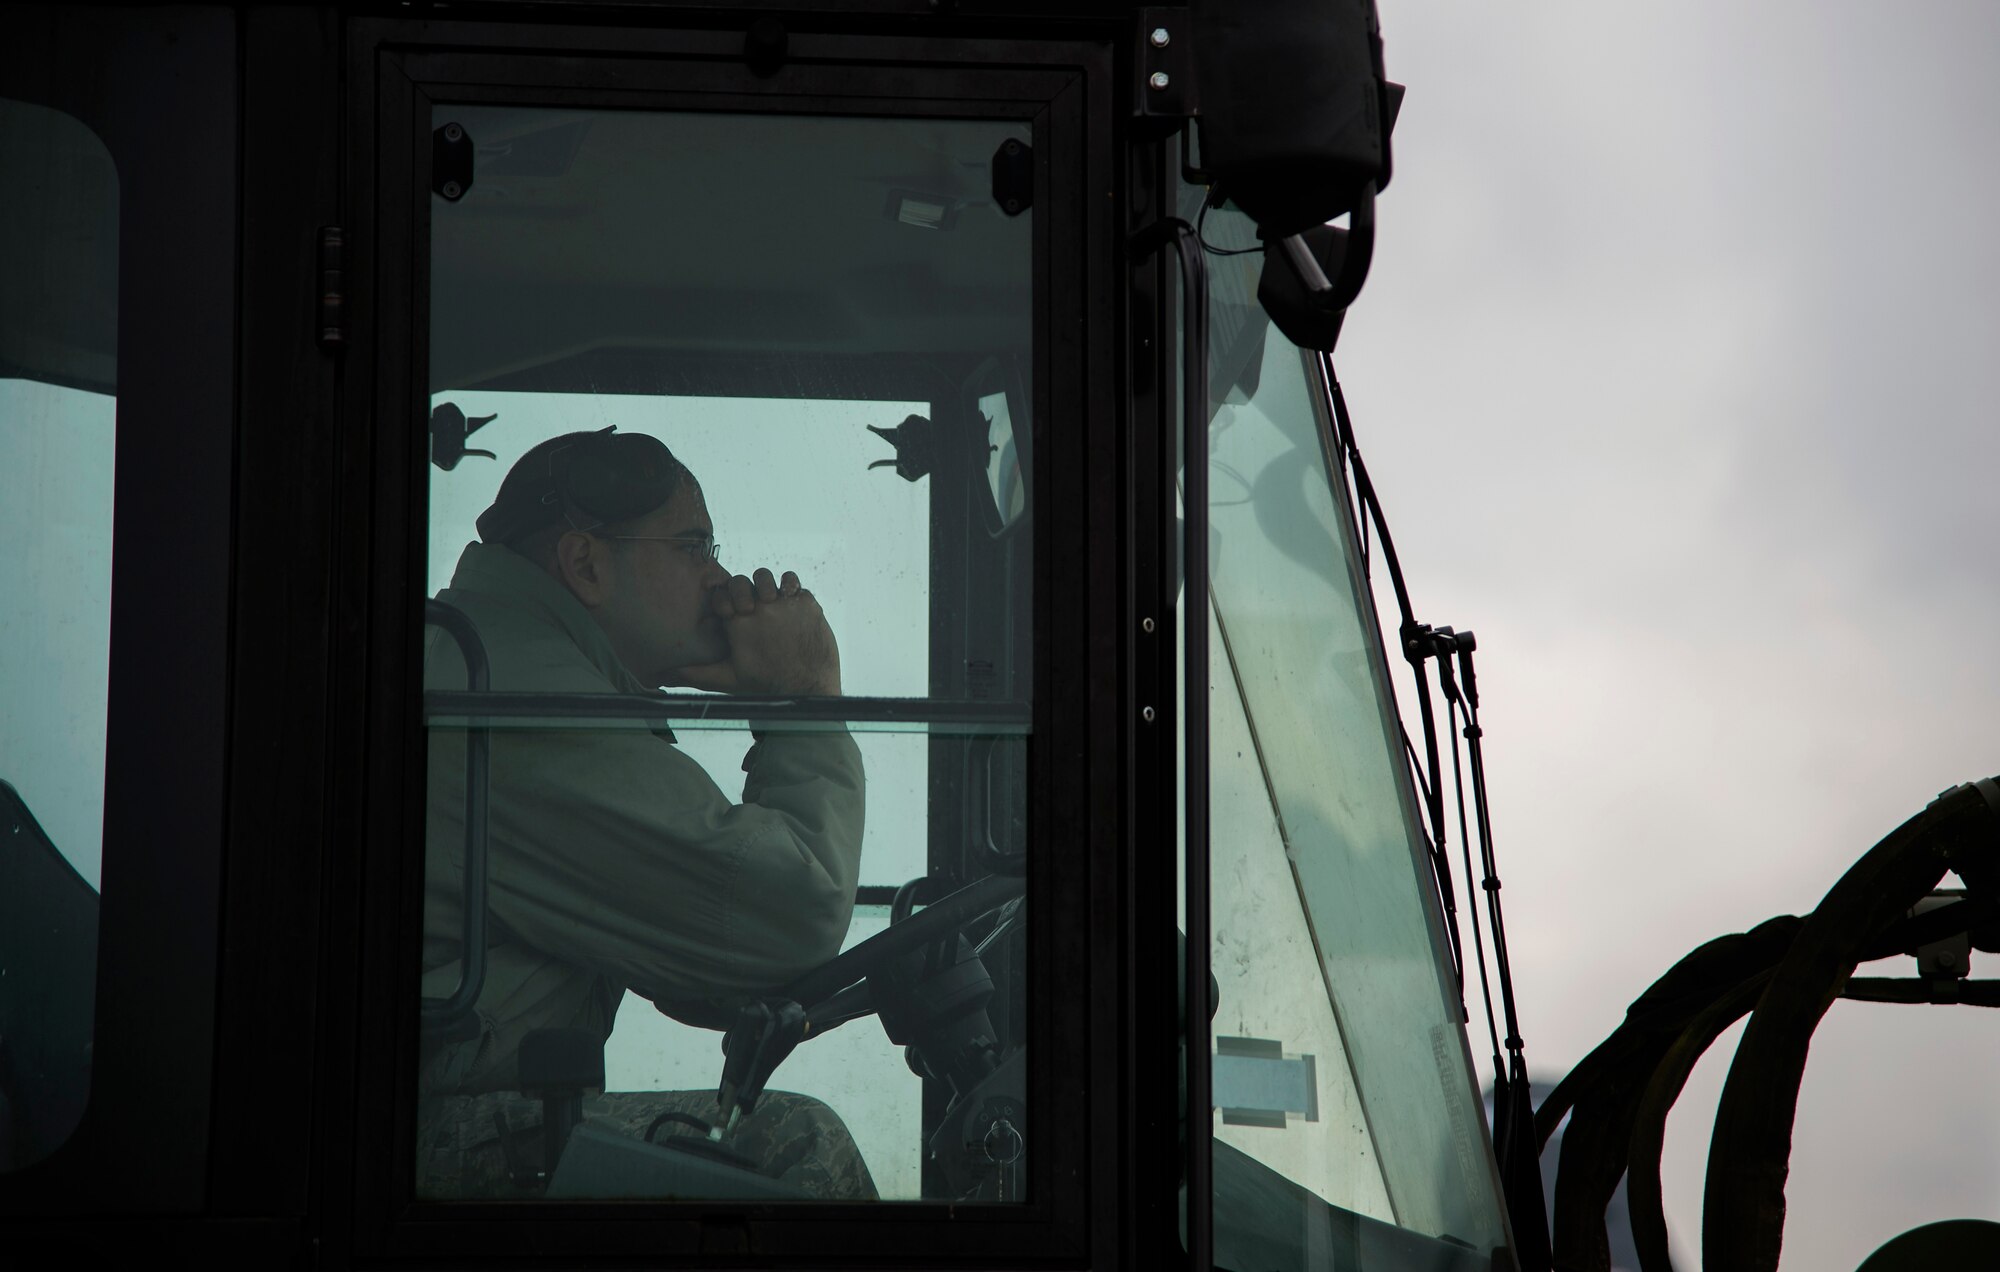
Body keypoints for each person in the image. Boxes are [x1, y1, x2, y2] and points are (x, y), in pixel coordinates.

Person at [417, 427, 873, 1199]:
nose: (722, 578)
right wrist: (804, 696)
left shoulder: (506, 661)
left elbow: (712, 960)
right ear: (586, 563)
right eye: (694, 546)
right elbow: (790, 912)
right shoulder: (524, 699)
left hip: (410, 1114)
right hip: (399, 1139)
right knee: (798, 1146)